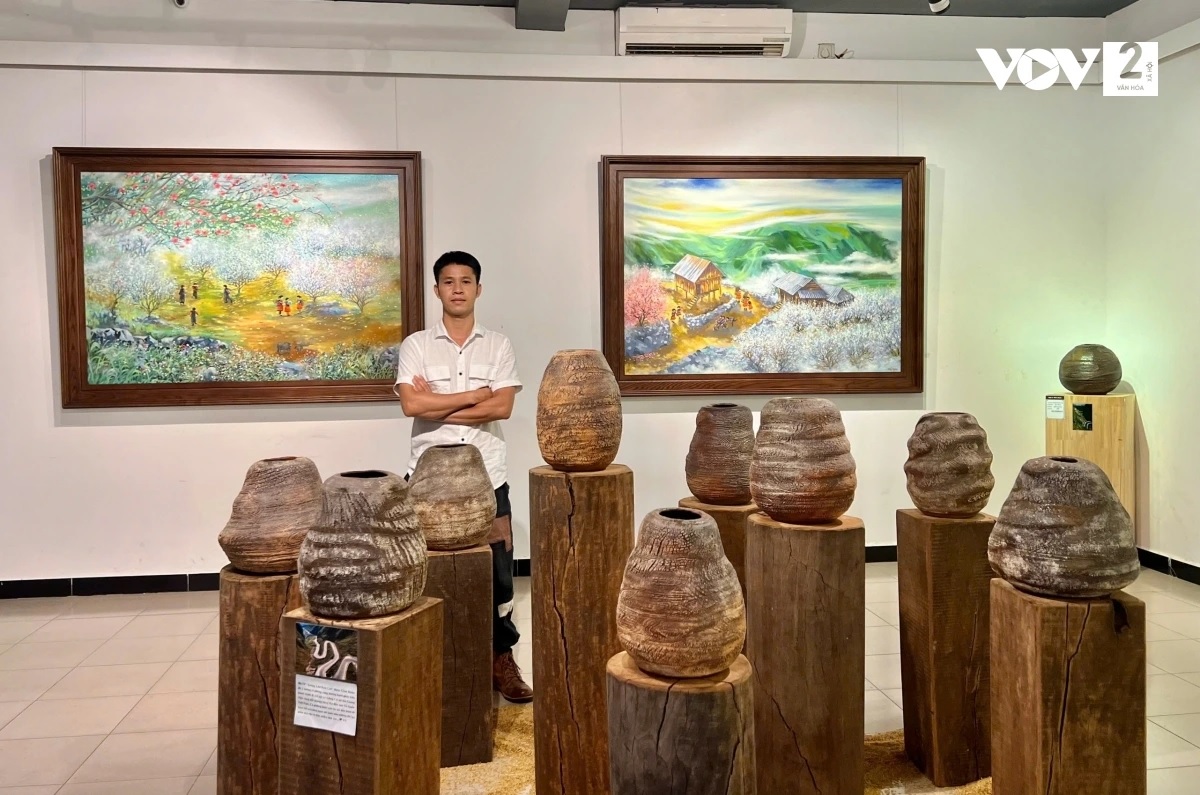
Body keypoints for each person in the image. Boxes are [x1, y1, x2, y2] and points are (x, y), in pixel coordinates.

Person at [393, 250, 533, 704]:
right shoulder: (416, 345)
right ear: (436, 290)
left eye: (466, 281)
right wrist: (475, 395)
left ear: (478, 288)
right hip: (427, 481)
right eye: (449, 281)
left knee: (498, 575)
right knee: (424, 570)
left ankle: (500, 658)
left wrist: (438, 404)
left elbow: (503, 407)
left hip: (488, 477)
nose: (457, 289)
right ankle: (431, 661)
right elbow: (411, 405)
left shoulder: (498, 345)